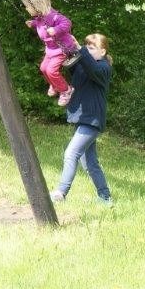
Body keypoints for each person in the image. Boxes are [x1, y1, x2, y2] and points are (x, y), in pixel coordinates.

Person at [49, 33, 113, 205]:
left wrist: (80, 49)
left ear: (102, 52)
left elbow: (93, 69)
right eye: (86, 47)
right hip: (84, 119)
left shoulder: (104, 68)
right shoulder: (84, 64)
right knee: (89, 162)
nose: (87, 50)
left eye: (91, 48)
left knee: (71, 153)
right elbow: (71, 65)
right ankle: (105, 197)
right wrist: (64, 45)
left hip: (92, 120)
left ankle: (61, 193)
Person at [21, 0, 77, 106]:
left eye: (28, 6)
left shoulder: (54, 16)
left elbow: (67, 23)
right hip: (51, 50)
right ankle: (55, 85)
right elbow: (40, 23)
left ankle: (66, 91)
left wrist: (56, 30)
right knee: (43, 68)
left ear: (37, 5)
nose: (26, 8)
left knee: (51, 71)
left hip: (62, 49)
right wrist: (33, 23)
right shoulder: (40, 17)